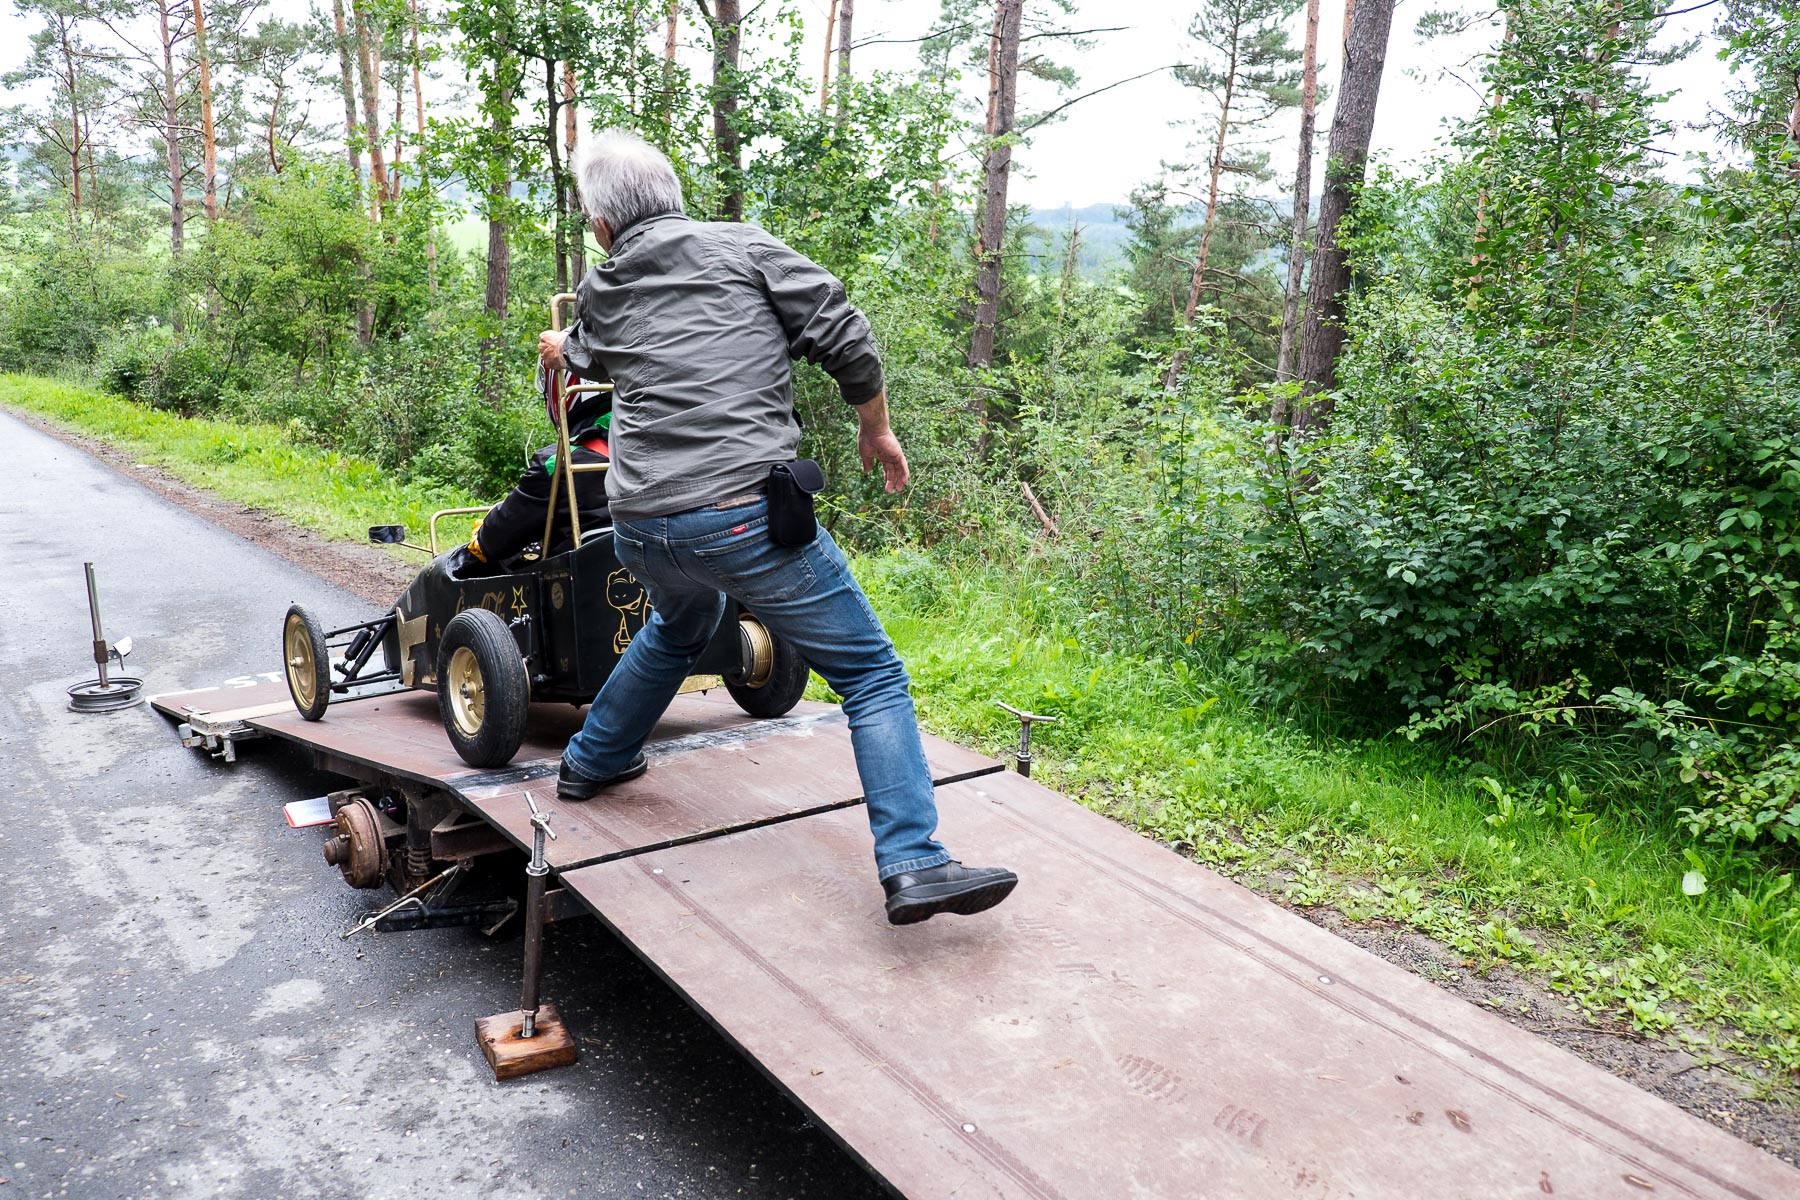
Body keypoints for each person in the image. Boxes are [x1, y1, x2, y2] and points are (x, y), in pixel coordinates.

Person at [538, 128, 1017, 926]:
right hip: (738, 515)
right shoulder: (743, 250)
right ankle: (914, 860)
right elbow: (844, 331)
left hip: (641, 526)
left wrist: (560, 345)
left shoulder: (603, 283)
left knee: (684, 622)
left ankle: (591, 759)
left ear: (602, 226)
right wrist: (875, 426)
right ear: (673, 198)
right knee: (870, 674)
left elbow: (584, 353)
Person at [463, 381, 612, 570]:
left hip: (588, 583)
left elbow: (495, 539)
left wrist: (482, 536)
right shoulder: (654, 441)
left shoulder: (558, 461)